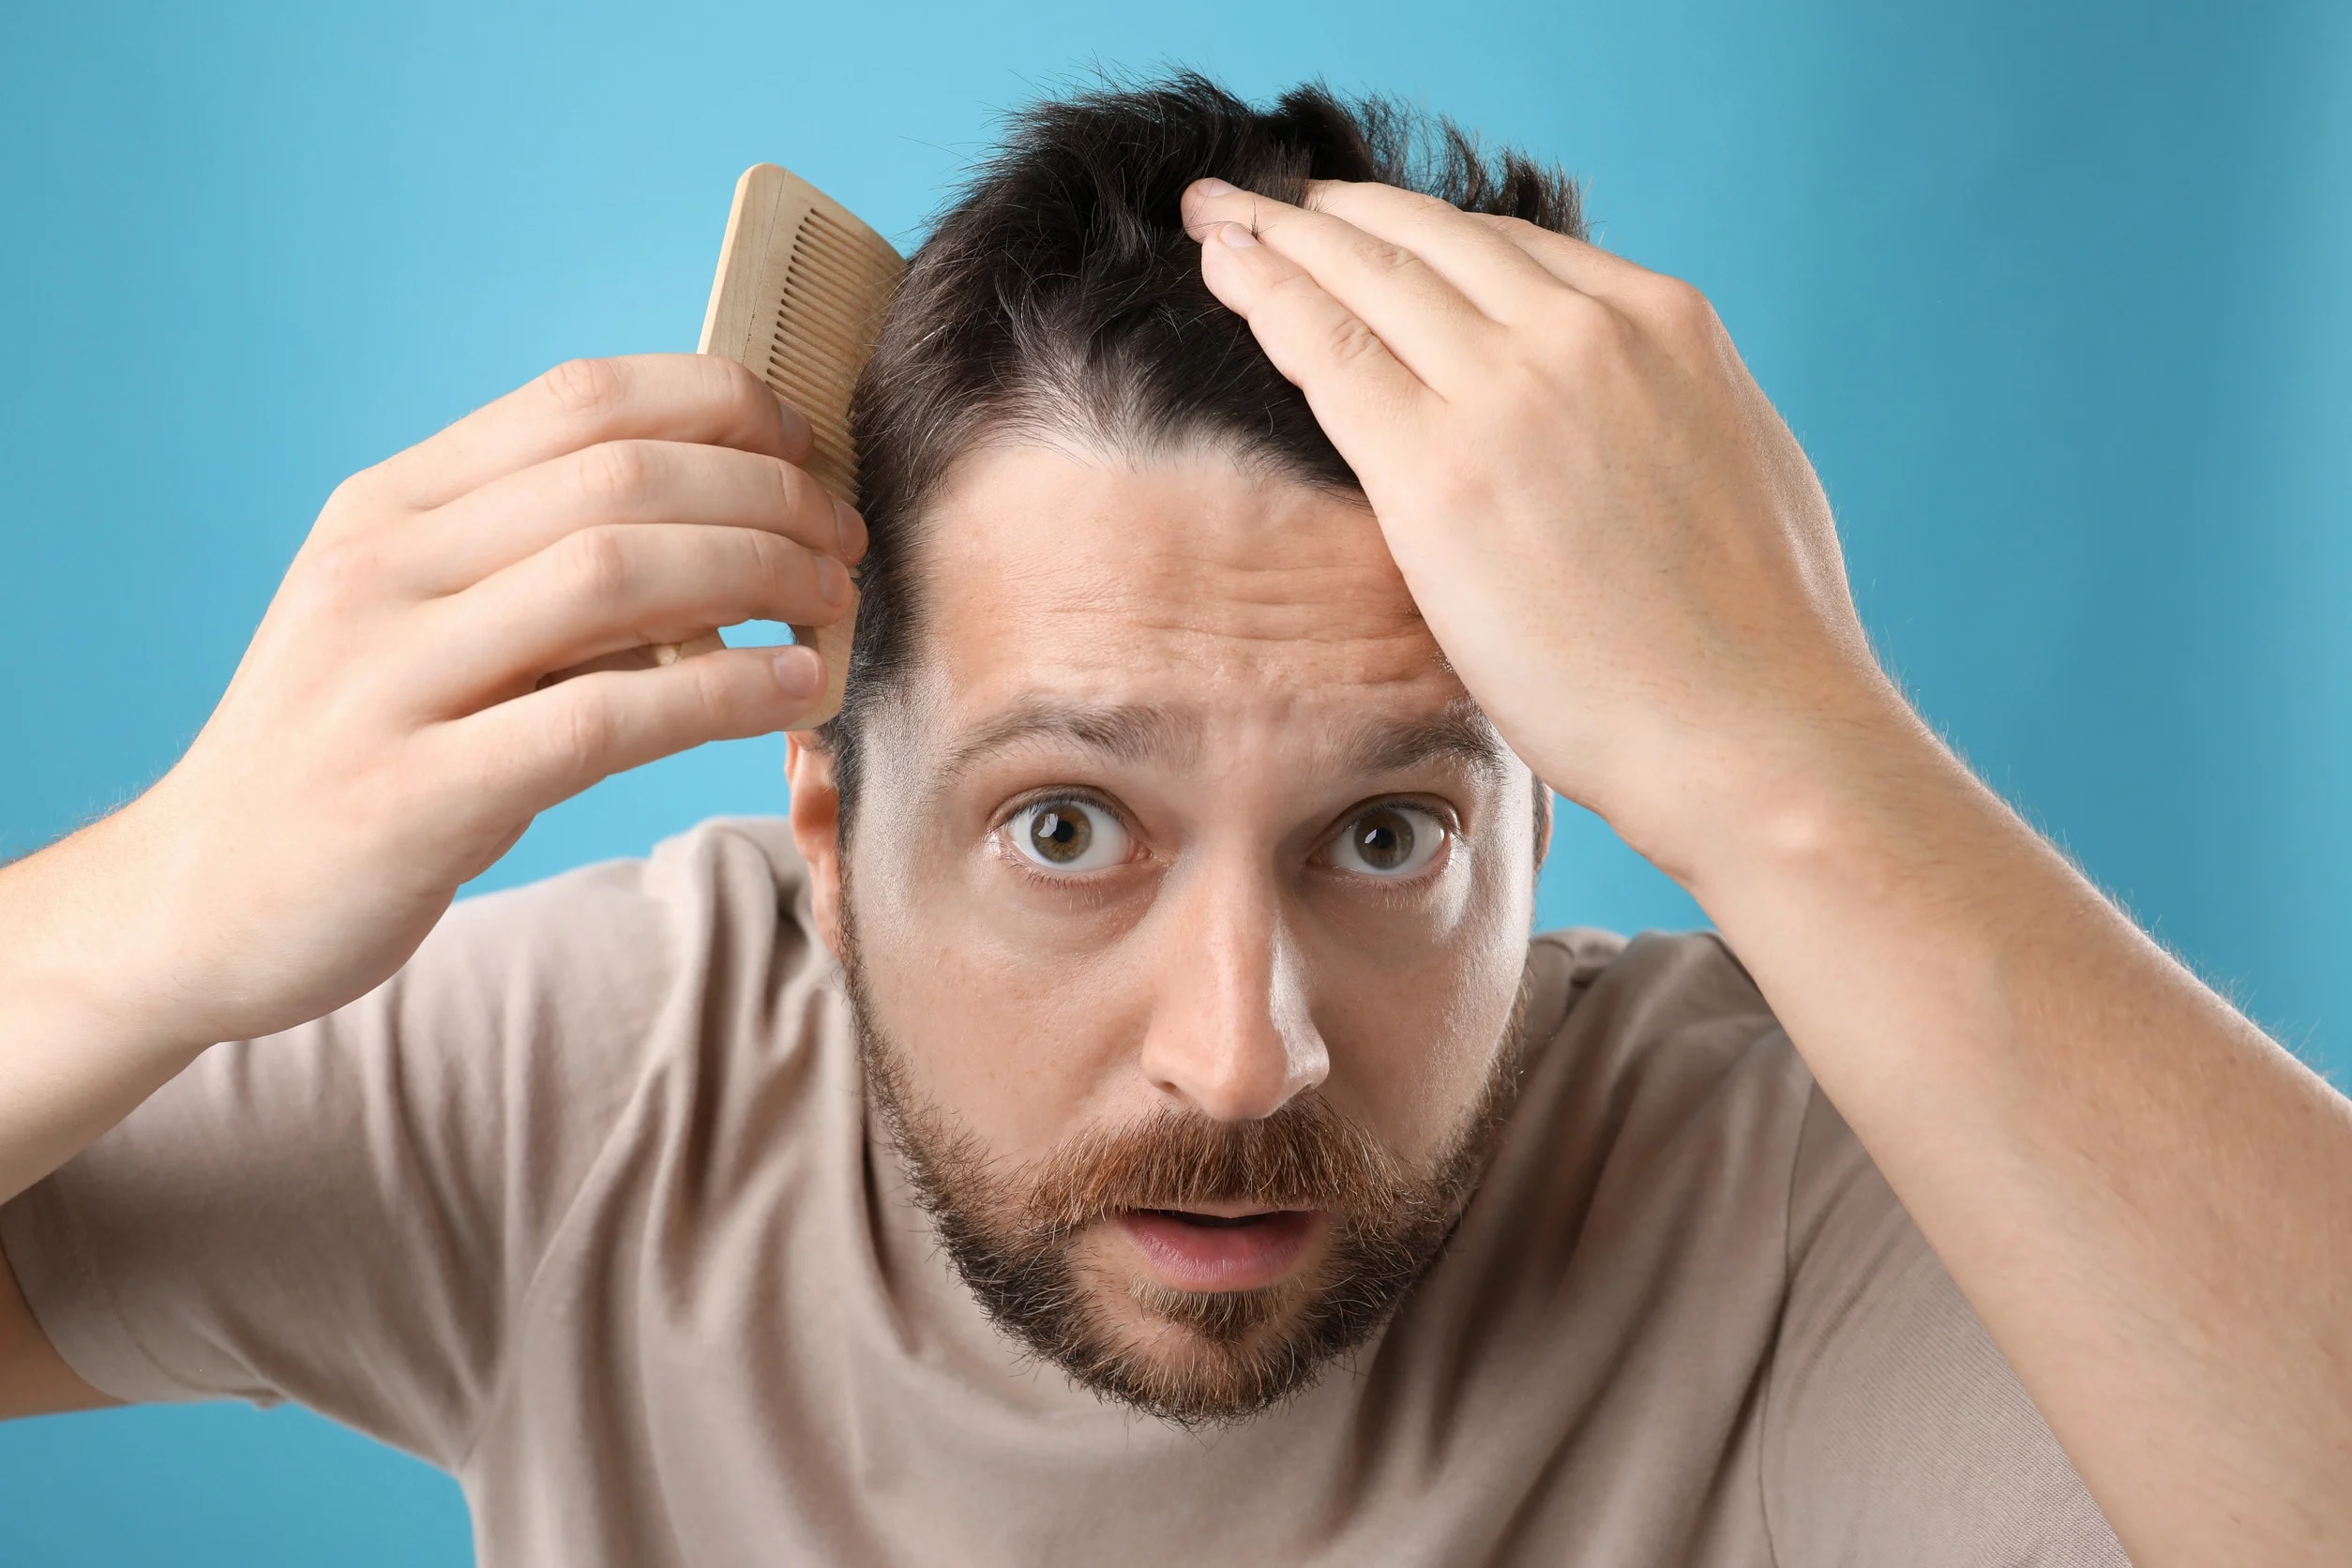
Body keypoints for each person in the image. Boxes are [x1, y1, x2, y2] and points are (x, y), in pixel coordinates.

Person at [0, 72, 2344, 1568]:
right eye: (1066, 830)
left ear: (1558, 815)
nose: (1242, 1060)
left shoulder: (1789, 1191)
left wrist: (1815, 767)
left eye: (1391, 837)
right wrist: (157, 915)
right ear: (822, 819)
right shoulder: (620, 1070)